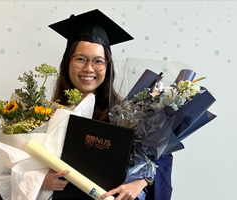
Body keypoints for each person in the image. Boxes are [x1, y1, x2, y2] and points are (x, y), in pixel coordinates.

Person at [41, 9, 172, 200]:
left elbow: (162, 158)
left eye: (98, 61)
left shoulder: (127, 114)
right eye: (80, 59)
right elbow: (15, 168)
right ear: (67, 63)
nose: (89, 68)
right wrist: (38, 182)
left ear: (108, 67)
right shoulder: (43, 115)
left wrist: (142, 181)